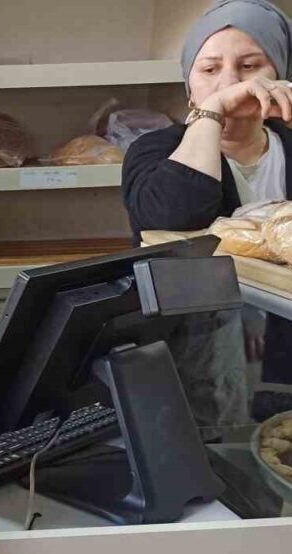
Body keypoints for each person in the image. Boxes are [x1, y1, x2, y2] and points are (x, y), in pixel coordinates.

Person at [122, 0, 292, 428]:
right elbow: (176, 216)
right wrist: (211, 115)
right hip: (193, 355)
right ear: (188, 86)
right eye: (210, 70)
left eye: (250, 65)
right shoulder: (155, 151)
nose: (230, 83)